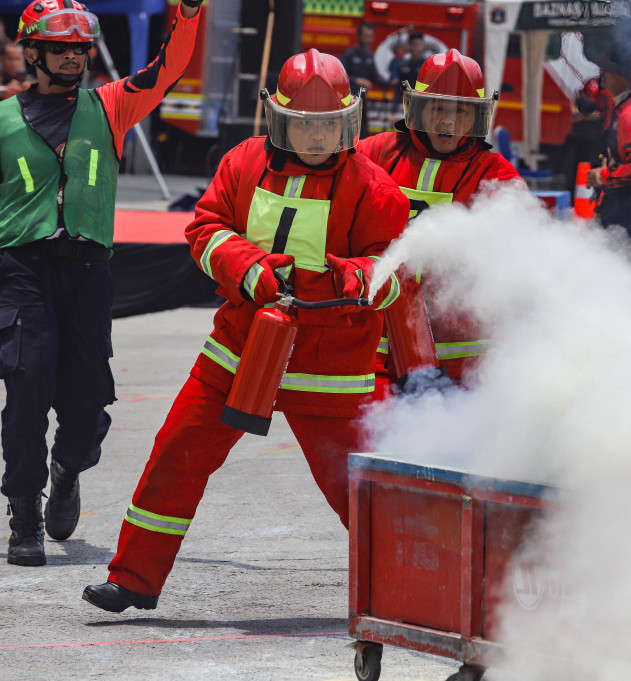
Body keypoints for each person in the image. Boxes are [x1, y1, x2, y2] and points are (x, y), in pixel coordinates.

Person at [82, 49, 409, 613]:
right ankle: (133, 578)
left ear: (349, 121)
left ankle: (409, 587)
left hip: (328, 366)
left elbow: (392, 269)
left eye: (329, 124)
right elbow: (206, 228)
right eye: (304, 124)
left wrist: (355, 277)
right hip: (240, 350)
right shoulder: (243, 161)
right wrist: (249, 270)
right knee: (176, 454)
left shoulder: (374, 187)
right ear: (278, 118)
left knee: (354, 486)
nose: (318, 136)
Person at [0, 0, 204, 568]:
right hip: (22, 271)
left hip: (89, 271)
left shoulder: (111, 105)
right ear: (32, 52)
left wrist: (188, 12)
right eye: (60, 48)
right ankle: (24, 515)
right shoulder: (3, 119)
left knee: (89, 400)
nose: (73, 57)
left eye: (80, 48)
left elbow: (168, 68)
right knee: (27, 393)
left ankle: (68, 470)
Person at [357, 48, 522, 393]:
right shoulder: (375, 153)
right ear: (417, 108)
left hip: (457, 356)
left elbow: (513, 253)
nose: (447, 122)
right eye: (437, 109)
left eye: (460, 111)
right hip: (376, 349)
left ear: (477, 115)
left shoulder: (496, 176)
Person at [584, 44, 631, 265]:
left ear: (622, 78)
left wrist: (602, 177)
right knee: (623, 273)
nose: (602, 80)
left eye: (606, 74)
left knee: (621, 273)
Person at [558, 77, 611, 194]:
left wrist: (584, 117)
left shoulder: (610, 91)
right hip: (578, 137)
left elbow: (601, 115)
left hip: (596, 139)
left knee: (593, 169)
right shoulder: (592, 83)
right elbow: (576, 99)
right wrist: (576, 110)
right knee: (572, 171)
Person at [340, 22, 389, 135]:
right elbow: (341, 77)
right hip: (348, 102)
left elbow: (375, 77)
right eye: (366, 36)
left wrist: (391, 82)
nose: (369, 40)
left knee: (363, 132)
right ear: (358, 36)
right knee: (348, 133)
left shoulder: (369, 55)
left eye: (371, 36)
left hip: (362, 102)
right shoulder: (349, 54)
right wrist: (356, 80)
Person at [390, 31, 427, 103]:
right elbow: (398, 90)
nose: (414, 48)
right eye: (412, 44)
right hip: (406, 104)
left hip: (422, 104)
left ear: (422, 45)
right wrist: (394, 108)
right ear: (408, 45)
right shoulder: (402, 65)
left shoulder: (427, 66)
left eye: (417, 44)